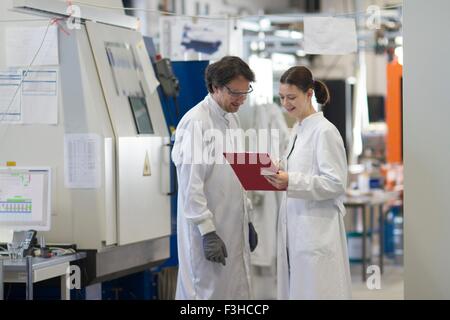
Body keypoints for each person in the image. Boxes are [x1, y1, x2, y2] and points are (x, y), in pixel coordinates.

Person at [172, 56, 258, 299]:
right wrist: (207, 231)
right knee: (205, 292)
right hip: (208, 232)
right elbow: (191, 185)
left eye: (245, 92)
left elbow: (239, 174)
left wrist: (247, 217)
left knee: (234, 291)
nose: (241, 100)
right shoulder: (195, 123)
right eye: (235, 93)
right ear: (214, 87)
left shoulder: (232, 119)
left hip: (233, 225)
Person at [265, 66, 352, 299]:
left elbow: (335, 183)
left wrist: (290, 180)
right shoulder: (298, 129)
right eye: (282, 97)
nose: (285, 103)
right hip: (297, 231)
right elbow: (301, 170)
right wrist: (278, 170)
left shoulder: (325, 131)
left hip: (316, 233)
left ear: (309, 93)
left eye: (291, 97)